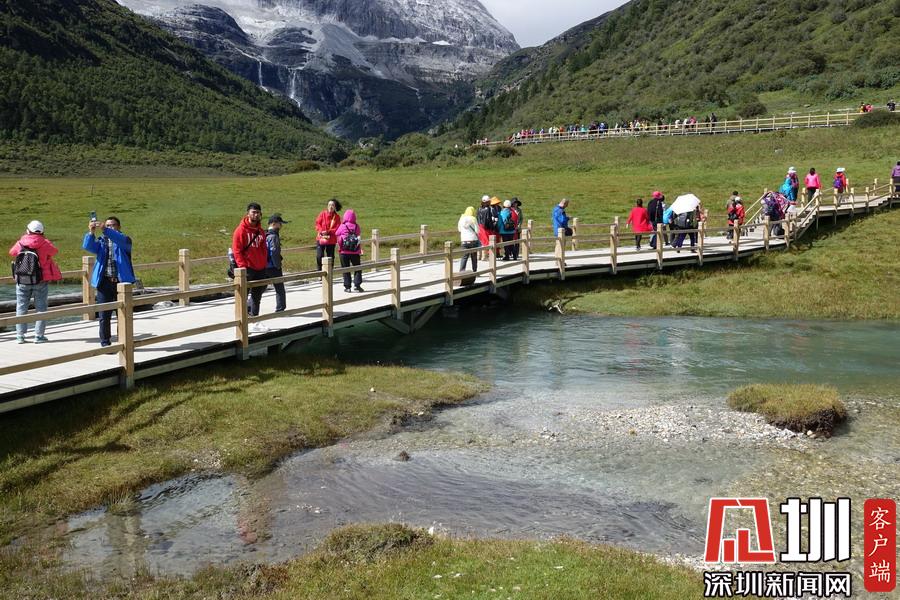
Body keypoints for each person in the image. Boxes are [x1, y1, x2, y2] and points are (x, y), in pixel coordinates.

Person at [83, 215, 135, 347]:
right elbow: (88, 246)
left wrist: (105, 229)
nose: (110, 227)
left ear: (119, 227)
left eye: (113, 225)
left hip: (121, 283)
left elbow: (118, 238)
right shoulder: (102, 241)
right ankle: (105, 342)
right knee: (104, 315)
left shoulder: (125, 240)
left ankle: (124, 342)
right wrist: (91, 232)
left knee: (123, 315)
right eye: (108, 225)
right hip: (104, 282)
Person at [9, 220, 61, 343]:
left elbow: (12, 252)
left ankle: (20, 336)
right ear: (42, 232)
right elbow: (54, 251)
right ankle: (39, 335)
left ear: (28, 230)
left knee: (21, 307)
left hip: (22, 280)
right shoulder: (45, 243)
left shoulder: (21, 242)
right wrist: (46, 241)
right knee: (41, 308)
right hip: (40, 280)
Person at [232, 203, 268, 326]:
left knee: (257, 297)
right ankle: (241, 322)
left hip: (260, 268)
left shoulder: (260, 231)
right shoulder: (240, 230)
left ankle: (254, 321)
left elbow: (264, 249)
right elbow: (237, 250)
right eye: (253, 212)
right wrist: (243, 267)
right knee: (243, 295)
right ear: (248, 214)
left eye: (258, 212)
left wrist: (264, 263)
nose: (256, 215)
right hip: (246, 268)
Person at [335, 209, 363, 293]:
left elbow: (336, 233)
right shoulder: (357, 226)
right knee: (357, 268)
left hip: (343, 251)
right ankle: (357, 285)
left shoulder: (342, 226)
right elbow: (358, 234)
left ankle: (347, 287)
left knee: (345, 269)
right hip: (355, 251)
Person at [266, 213, 289, 313]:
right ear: (274, 224)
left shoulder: (264, 234)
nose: (281, 226)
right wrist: (278, 265)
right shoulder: (273, 236)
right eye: (280, 224)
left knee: (260, 288)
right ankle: (280, 309)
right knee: (279, 288)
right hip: (273, 267)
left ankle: (250, 306)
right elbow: (274, 251)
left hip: (264, 266)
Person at [314, 199, 342, 271]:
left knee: (331, 257)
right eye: (329, 205)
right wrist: (321, 231)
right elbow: (317, 223)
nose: (330, 207)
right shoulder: (322, 214)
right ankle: (320, 272)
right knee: (319, 256)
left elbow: (337, 228)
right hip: (321, 238)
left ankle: (330, 273)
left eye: (332, 205)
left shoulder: (337, 217)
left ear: (335, 207)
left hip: (331, 240)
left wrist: (328, 232)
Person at [457, 206, 480, 272]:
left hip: (464, 240)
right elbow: (477, 231)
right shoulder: (473, 219)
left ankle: (462, 271)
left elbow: (459, 229)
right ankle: (474, 271)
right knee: (474, 257)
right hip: (473, 240)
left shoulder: (461, 219)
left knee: (464, 257)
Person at [476, 195, 496, 260]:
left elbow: (477, 218)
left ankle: (479, 256)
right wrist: (492, 227)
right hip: (486, 228)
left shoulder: (479, 208)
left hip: (480, 226)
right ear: (487, 202)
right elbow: (489, 219)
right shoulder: (488, 209)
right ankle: (484, 256)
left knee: (481, 241)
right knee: (486, 242)